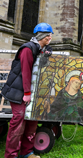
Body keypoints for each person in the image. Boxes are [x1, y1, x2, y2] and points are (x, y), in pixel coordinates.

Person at [1, 23, 54, 158]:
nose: (50, 37)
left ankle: (27, 152)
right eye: (48, 35)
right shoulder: (27, 49)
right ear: (42, 36)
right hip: (18, 91)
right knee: (18, 122)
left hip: (31, 92)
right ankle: (11, 155)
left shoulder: (40, 49)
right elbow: (26, 72)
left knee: (32, 120)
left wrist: (48, 52)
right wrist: (27, 93)